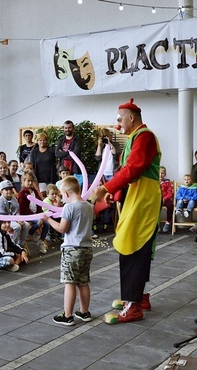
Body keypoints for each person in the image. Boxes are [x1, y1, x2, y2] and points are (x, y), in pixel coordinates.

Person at [94, 98, 160, 324]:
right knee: (134, 244)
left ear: (131, 118)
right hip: (138, 196)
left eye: (120, 118)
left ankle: (132, 305)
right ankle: (137, 297)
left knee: (133, 246)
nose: (118, 122)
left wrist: (105, 188)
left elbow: (133, 169)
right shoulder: (135, 137)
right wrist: (116, 192)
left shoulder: (145, 136)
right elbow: (128, 170)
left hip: (144, 198)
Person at [43, 176, 94, 326]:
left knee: (69, 282)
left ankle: (67, 315)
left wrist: (48, 220)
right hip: (87, 249)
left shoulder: (69, 207)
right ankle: (84, 312)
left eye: (61, 195)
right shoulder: (89, 206)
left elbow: (62, 228)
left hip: (72, 249)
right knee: (83, 281)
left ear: (66, 193)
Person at [17, 173, 49, 254]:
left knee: (47, 223)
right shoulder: (22, 193)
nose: (30, 183)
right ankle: (30, 233)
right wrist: (35, 215)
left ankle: (40, 240)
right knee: (39, 221)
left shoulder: (34, 191)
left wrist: (41, 214)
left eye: (31, 181)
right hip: (27, 215)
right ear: (23, 181)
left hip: (36, 214)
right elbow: (23, 209)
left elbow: (38, 204)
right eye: (28, 181)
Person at [0, 180, 30, 250]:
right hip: (4, 222)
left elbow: (16, 211)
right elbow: (3, 217)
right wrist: (16, 220)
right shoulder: (0, 202)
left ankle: (21, 244)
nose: (9, 191)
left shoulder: (14, 199)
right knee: (17, 227)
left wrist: (19, 219)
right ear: (1, 191)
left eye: (10, 189)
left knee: (26, 225)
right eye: (6, 189)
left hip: (14, 219)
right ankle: (13, 245)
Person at [55, 120, 83, 184]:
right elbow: (57, 154)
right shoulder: (61, 140)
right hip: (62, 169)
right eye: (65, 128)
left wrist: (62, 153)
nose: (67, 129)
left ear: (73, 128)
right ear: (63, 129)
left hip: (74, 169)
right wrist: (69, 152)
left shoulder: (77, 140)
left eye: (69, 127)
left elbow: (75, 155)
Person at [159, 166, 174, 233]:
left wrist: (164, 198)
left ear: (165, 174)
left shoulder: (167, 182)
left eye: (162, 173)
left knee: (170, 206)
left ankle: (168, 222)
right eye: (159, 173)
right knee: (154, 207)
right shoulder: (155, 182)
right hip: (157, 199)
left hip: (166, 198)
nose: (160, 175)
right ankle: (156, 224)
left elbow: (170, 193)